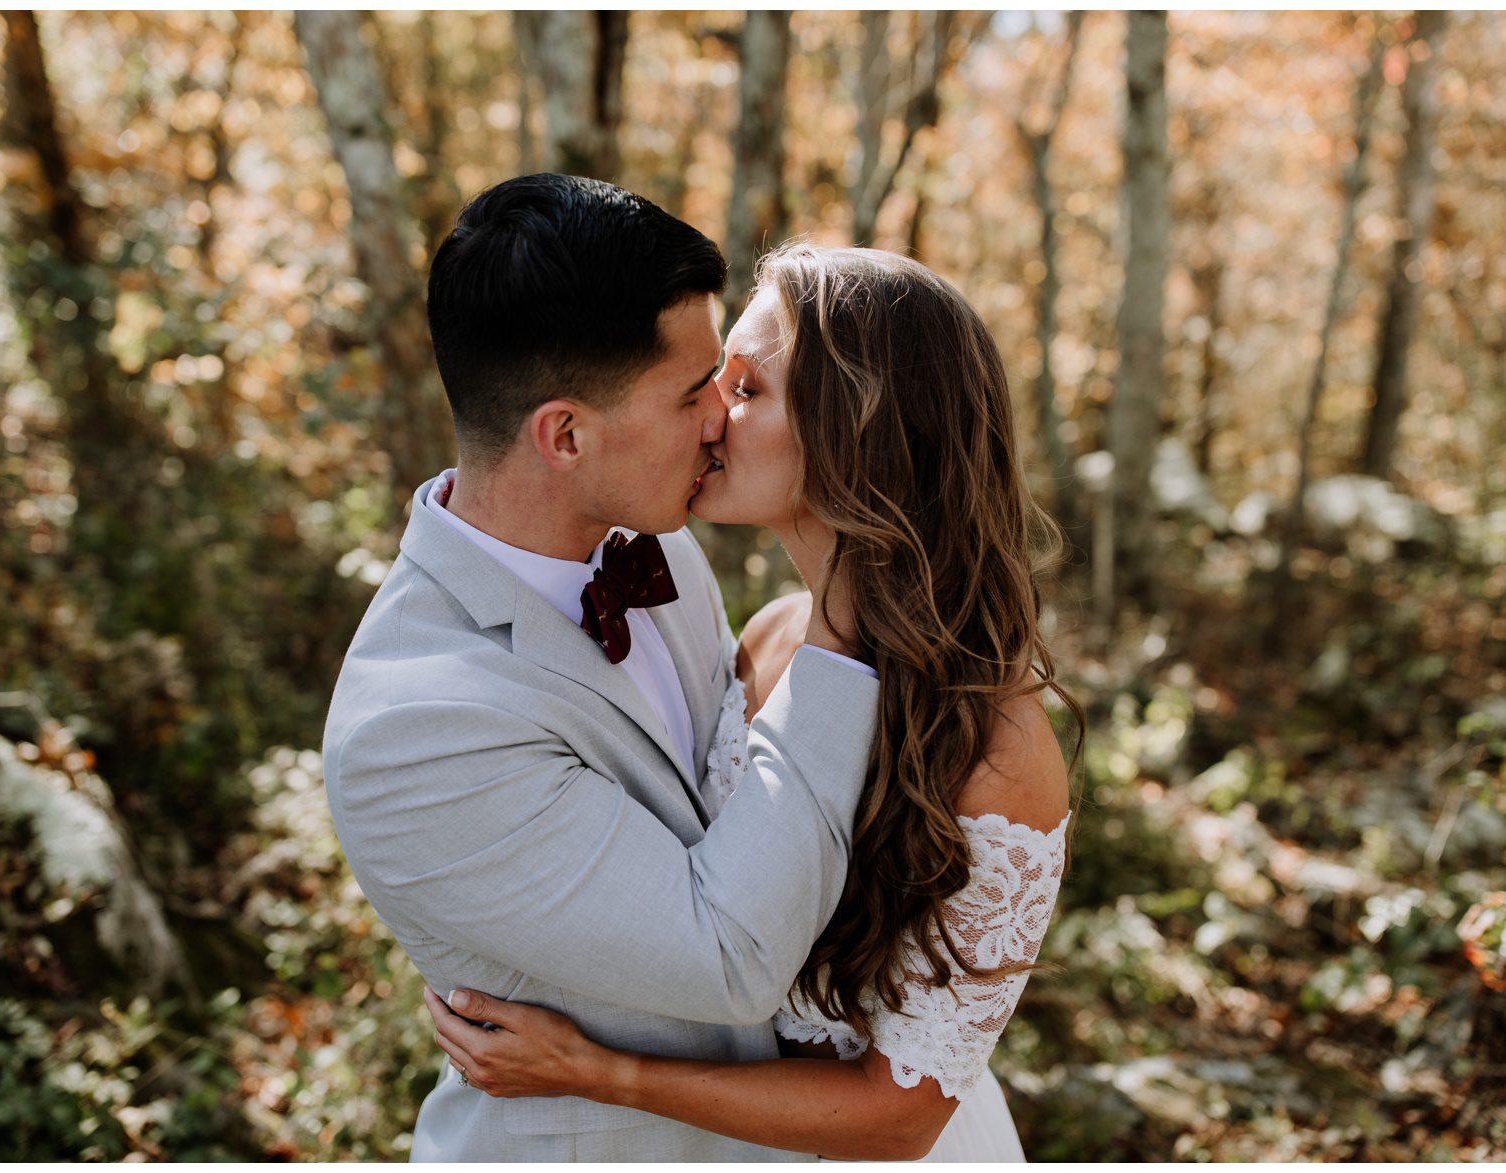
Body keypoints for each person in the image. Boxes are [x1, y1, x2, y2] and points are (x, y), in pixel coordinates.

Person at [424, 243, 1083, 1161]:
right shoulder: (768, 636)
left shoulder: (996, 748)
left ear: (862, 428)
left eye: (744, 389)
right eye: (709, 384)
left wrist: (596, 1069)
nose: (707, 419)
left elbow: (898, 1116)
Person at [321, 177, 885, 1162]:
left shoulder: (658, 547)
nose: (723, 416)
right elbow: (733, 958)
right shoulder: (412, 725)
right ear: (566, 435)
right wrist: (840, 629)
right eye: (689, 391)